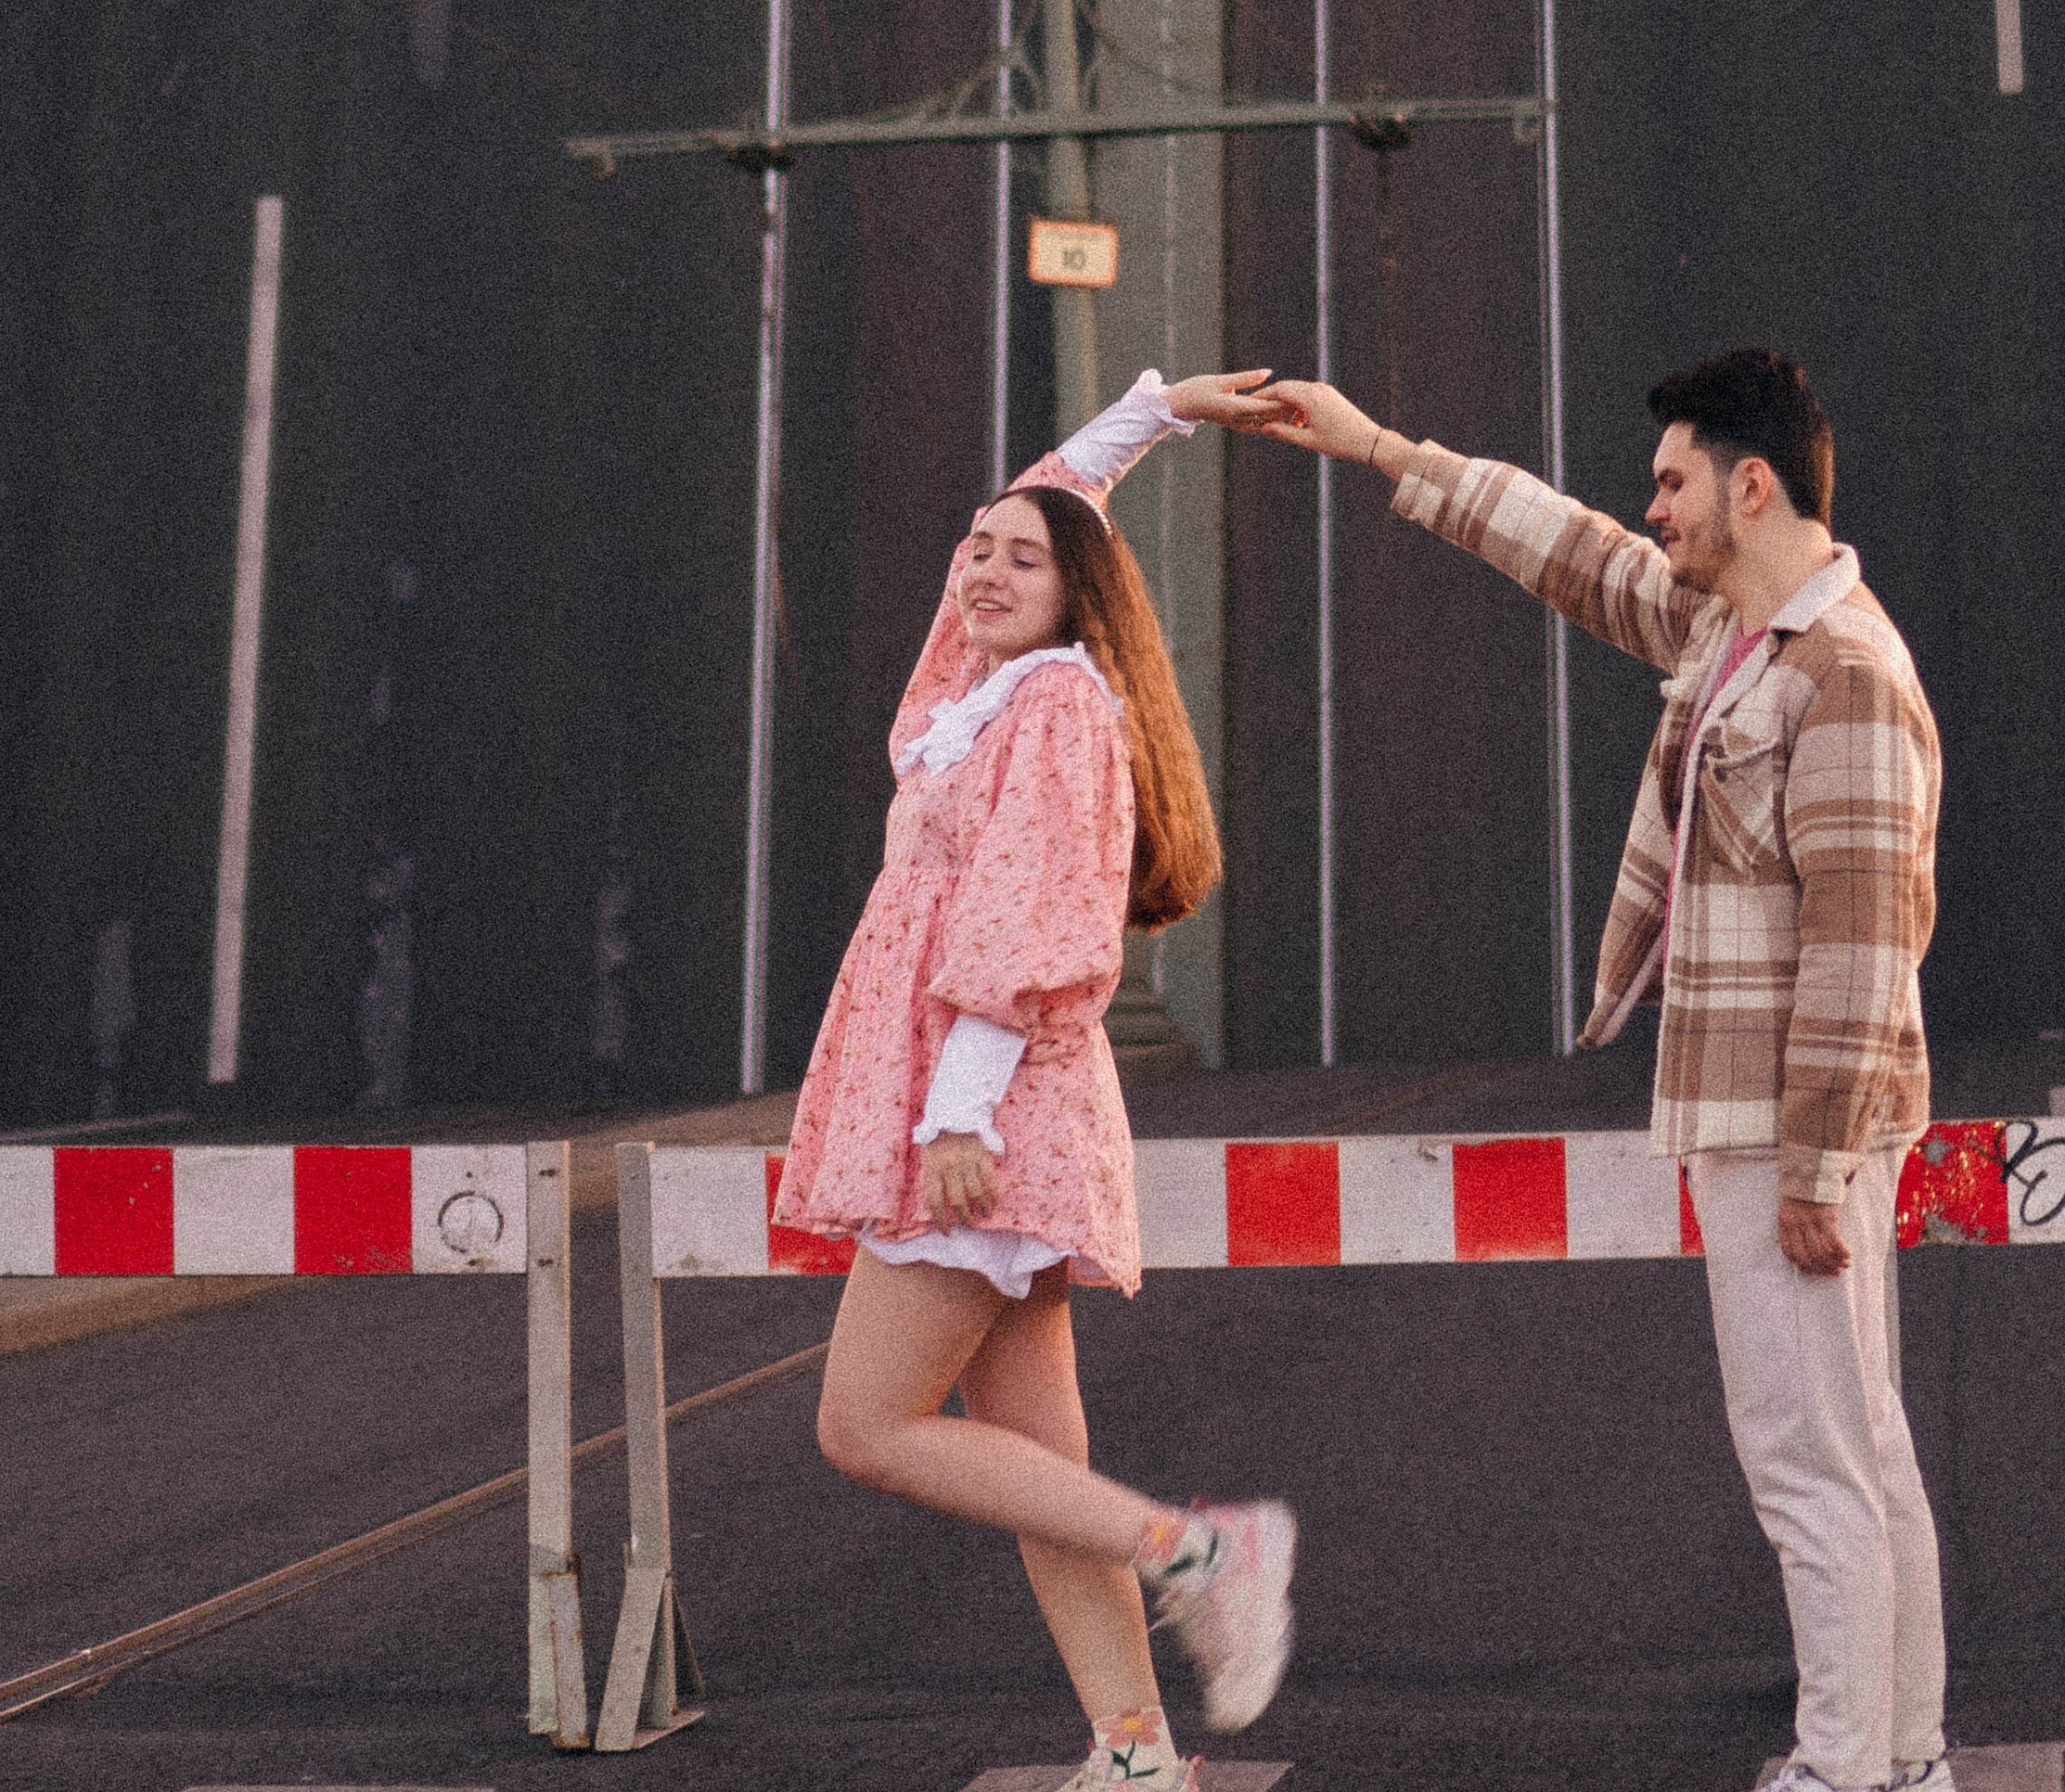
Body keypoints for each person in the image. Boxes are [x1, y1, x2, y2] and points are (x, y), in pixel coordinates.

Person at [1258, 348, 1951, 1792]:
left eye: (1672, 482)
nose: (1652, 512)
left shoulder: (1847, 673)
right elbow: (1563, 552)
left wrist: (1818, 1169)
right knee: (1857, 1449)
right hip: (1760, 1118)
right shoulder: (1735, 632)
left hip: (1788, 1127)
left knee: (1810, 1463)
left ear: (1749, 486)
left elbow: (1862, 949)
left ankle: (1847, 1769)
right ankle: (1901, 1757)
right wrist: (1380, 444)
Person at [776, 365, 1297, 1792]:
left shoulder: (1059, 705)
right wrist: (1158, 409)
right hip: (985, 1109)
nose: (987, 570)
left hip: (984, 1114)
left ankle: (1199, 1548)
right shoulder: (982, 693)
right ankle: (1133, 1756)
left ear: (1084, 598)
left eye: (1025, 558)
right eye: (976, 549)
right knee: (1036, 1469)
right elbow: (1045, 510)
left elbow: (1039, 919)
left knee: (865, 1424)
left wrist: (954, 1114)